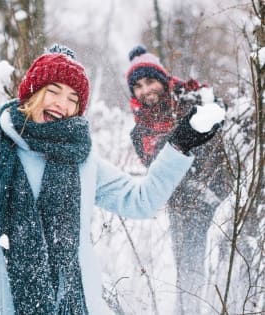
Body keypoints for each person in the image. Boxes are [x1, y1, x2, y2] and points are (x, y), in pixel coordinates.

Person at [0, 44, 219, 315]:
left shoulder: (83, 159)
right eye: (53, 91)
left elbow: (141, 201)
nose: (63, 105)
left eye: (73, 99)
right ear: (32, 93)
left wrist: (180, 144)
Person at [125, 45, 230, 315]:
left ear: (162, 80)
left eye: (149, 81)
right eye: (137, 86)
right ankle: (189, 309)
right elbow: (157, 172)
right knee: (187, 266)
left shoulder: (191, 100)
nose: (145, 90)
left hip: (218, 197)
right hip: (181, 206)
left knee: (226, 260)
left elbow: (219, 121)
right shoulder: (140, 132)